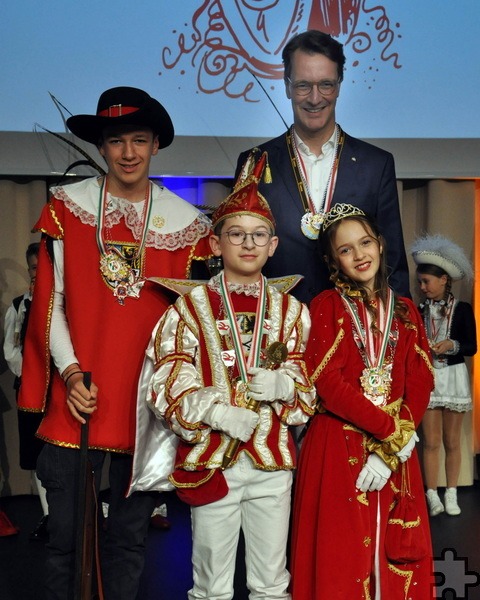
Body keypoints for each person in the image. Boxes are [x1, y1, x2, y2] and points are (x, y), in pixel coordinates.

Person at [17, 86, 212, 599]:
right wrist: (71, 373)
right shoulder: (67, 207)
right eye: (117, 140)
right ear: (102, 147)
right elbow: (51, 304)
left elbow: (193, 324)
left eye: (140, 140)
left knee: (128, 541)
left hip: (144, 407)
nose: (129, 152)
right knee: (63, 541)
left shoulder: (187, 225)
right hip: (77, 399)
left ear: (155, 147)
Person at [143, 151, 316, 599]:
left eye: (260, 235)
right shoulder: (188, 308)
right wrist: (216, 412)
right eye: (236, 234)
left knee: (271, 582)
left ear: (273, 246)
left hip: (272, 464)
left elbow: (308, 388)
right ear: (215, 244)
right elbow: (167, 376)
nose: (249, 243)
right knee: (211, 586)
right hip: (212, 462)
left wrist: (287, 385)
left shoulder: (293, 311)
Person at [290, 204, 435, 598]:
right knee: (343, 555)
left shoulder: (406, 311)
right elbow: (327, 382)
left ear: (381, 244)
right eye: (346, 249)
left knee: (395, 552)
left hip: (394, 453)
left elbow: (420, 380)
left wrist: (393, 448)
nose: (360, 255)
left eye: (365, 242)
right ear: (332, 260)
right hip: (338, 444)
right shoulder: (326, 306)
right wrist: (392, 433)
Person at [235, 30, 409, 305]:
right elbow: (238, 261)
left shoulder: (377, 164)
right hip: (277, 329)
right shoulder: (255, 162)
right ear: (286, 85)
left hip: (356, 333)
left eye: (325, 84)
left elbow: (393, 265)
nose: (315, 98)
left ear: (339, 84)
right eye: (303, 85)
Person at [412, 234, 477, 517]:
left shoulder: (462, 310)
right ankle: (431, 493)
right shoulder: (417, 311)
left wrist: (452, 344)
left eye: (427, 281)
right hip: (428, 378)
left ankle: (451, 492)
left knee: (452, 441)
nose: (423, 287)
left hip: (452, 376)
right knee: (431, 441)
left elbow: (472, 347)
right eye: (420, 282)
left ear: (444, 280)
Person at [3, 242, 49, 540]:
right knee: (35, 454)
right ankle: (49, 515)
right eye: (32, 268)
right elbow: (11, 351)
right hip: (31, 391)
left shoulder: (61, 301)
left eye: (41, 267)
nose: (36, 273)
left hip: (58, 390)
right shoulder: (19, 306)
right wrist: (30, 375)